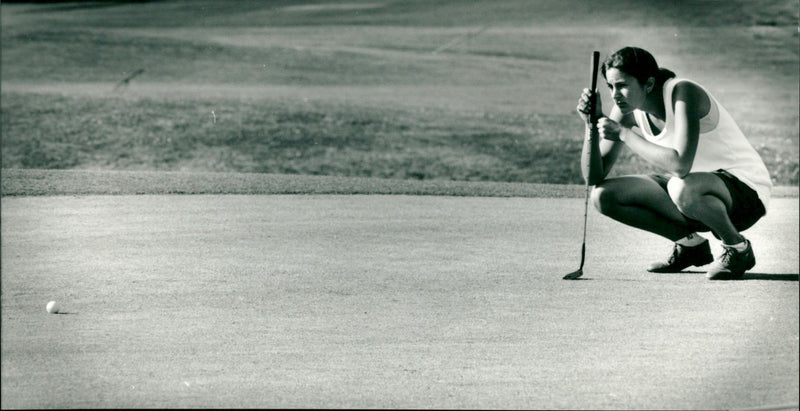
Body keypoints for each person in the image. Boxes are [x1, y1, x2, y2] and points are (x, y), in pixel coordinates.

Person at [575, 46, 772, 280]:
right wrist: (591, 124)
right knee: (603, 195)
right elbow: (593, 177)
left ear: (648, 84)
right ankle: (690, 246)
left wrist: (625, 134)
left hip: (745, 194)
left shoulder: (683, 92)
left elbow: (680, 165)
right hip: (692, 193)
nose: (615, 95)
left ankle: (738, 249)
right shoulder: (626, 110)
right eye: (610, 86)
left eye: (623, 85)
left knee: (680, 186)